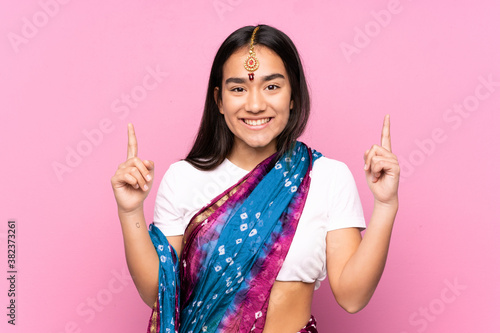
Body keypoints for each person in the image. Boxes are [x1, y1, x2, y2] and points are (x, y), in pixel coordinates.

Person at [111, 24, 400, 333]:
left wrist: (385, 205)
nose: (255, 104)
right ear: (219, 101)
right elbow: (158, 292)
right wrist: (130, 212)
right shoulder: (183, 178)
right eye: (238, 89)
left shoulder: (327, 177)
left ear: (293, 96)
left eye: (272, 87)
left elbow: (352, 297)